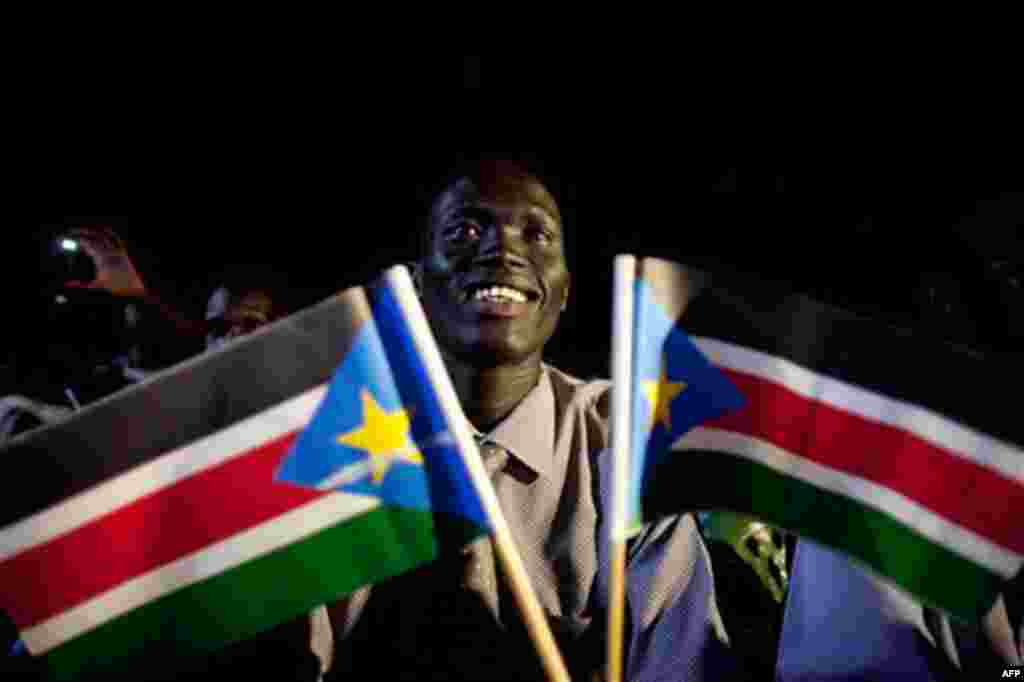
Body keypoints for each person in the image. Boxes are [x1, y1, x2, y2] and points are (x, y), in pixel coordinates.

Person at [319, 159, 736, 681]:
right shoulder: (334, 444)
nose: (503, 250)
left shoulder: (623, 442)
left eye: (536, 234)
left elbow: (680, 665)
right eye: (466, 230)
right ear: (419, 284)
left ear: (563, 292)